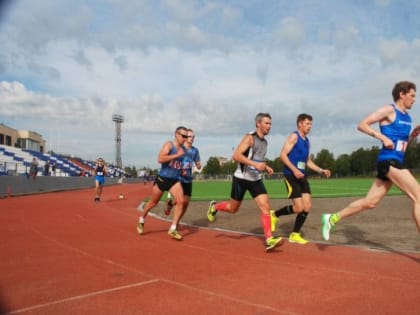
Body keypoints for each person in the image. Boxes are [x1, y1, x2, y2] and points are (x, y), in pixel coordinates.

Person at [322, 81, 420, 241]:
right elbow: (362, 124)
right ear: (402, 94)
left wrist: (412, 137)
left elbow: (401, 148)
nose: (415, 99)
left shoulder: (408, 118)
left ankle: (331, 218)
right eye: (412, 95)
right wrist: (381, 136)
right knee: (419, 197)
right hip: (388, 162)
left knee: (370, 202)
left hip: (397, 161)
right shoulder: (389, 110)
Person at [207, 113, 283, 252]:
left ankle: (269, 238)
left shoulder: (265, 142)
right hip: (241, 179)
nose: (269, 126)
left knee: (265, 206)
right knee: (233, 208)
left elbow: (259, 160)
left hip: (255, 180)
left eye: (270, 124)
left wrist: (265, 166)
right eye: (267, 123)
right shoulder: (250, 138)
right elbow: (236, 156)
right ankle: (215, 207)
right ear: (258, 124)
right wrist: (255, 163)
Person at [270, 113, 331, 244]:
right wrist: (294, 170)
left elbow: (308, 161)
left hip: (301, 176)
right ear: (300, 124)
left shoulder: (307, 141)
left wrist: (321, 170)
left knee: (307, 206)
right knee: (298, 207)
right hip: (291, 175)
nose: (310, 127)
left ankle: (294, 234)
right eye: (307, 124)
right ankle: (274, 215)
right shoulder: (294, 137)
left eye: (311, 124)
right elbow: (283, 155)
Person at [137, 126, 188, 240]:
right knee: (153, 203)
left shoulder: (184, 151)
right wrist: (176, 155)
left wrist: (183, 170)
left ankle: (173, 228)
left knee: (181, 201)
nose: (185, 138)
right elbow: (160, 159)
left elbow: (178, 164)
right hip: (162, 179)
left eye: (186, 136)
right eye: (183, 135)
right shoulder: (169, 145)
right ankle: (142, 219)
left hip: (174, 180)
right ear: (176, 134)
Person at [165, 128, 202, 220]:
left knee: (186, 203)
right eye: (190, 136)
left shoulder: (195, 150)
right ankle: (175, 224)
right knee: (181, 201)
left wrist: (198, 165)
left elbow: (198, 165)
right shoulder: (179, 149)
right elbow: (171, 162)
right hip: (178, 178)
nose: (192, 138)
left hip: (188, 179)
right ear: (185, 137)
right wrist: (181, 169)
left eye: (193, 137)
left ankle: (171, 205)